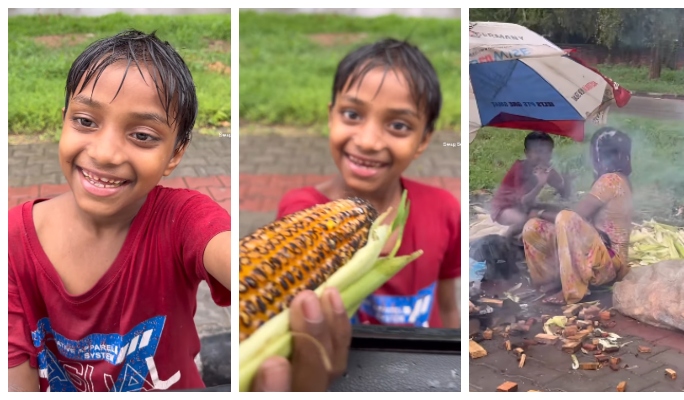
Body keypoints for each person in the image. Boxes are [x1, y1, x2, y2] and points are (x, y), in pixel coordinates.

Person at [7, 29, 232, 392]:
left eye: (142, 135)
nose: (105, 153)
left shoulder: (182, 220)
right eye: (85, 121)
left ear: (175, 153)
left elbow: (235, 257)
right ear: (63, 120)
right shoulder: (13, 242)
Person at [276, 38, 461, 330]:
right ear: (330, 116)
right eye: (352, 115)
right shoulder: (299, 213)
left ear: (423, 140)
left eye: (398, 125)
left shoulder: (444, 211)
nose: (367, 142)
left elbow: (449, 306)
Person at [521, 127, 633, 305]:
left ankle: (571, 290)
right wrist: (542, 209)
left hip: (610, 264)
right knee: (533, 227)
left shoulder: (610, 180)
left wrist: (541, 212)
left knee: (566, 220)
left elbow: (575, 216)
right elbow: (578, 212)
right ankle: (550, 279)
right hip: (597, 256)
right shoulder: (614, 179)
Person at [490, 131, 572, 238]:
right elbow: (523, 201)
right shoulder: (520, 168)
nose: (542, 156)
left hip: (528, 207)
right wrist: (540, 185)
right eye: (538, 152)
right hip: (505, 208)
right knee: (525, 221)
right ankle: (505, 239)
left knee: (561, 210)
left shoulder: (547, 170)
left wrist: (567, 181)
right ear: (527, 153)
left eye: (547, 152)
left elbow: (564, 194)